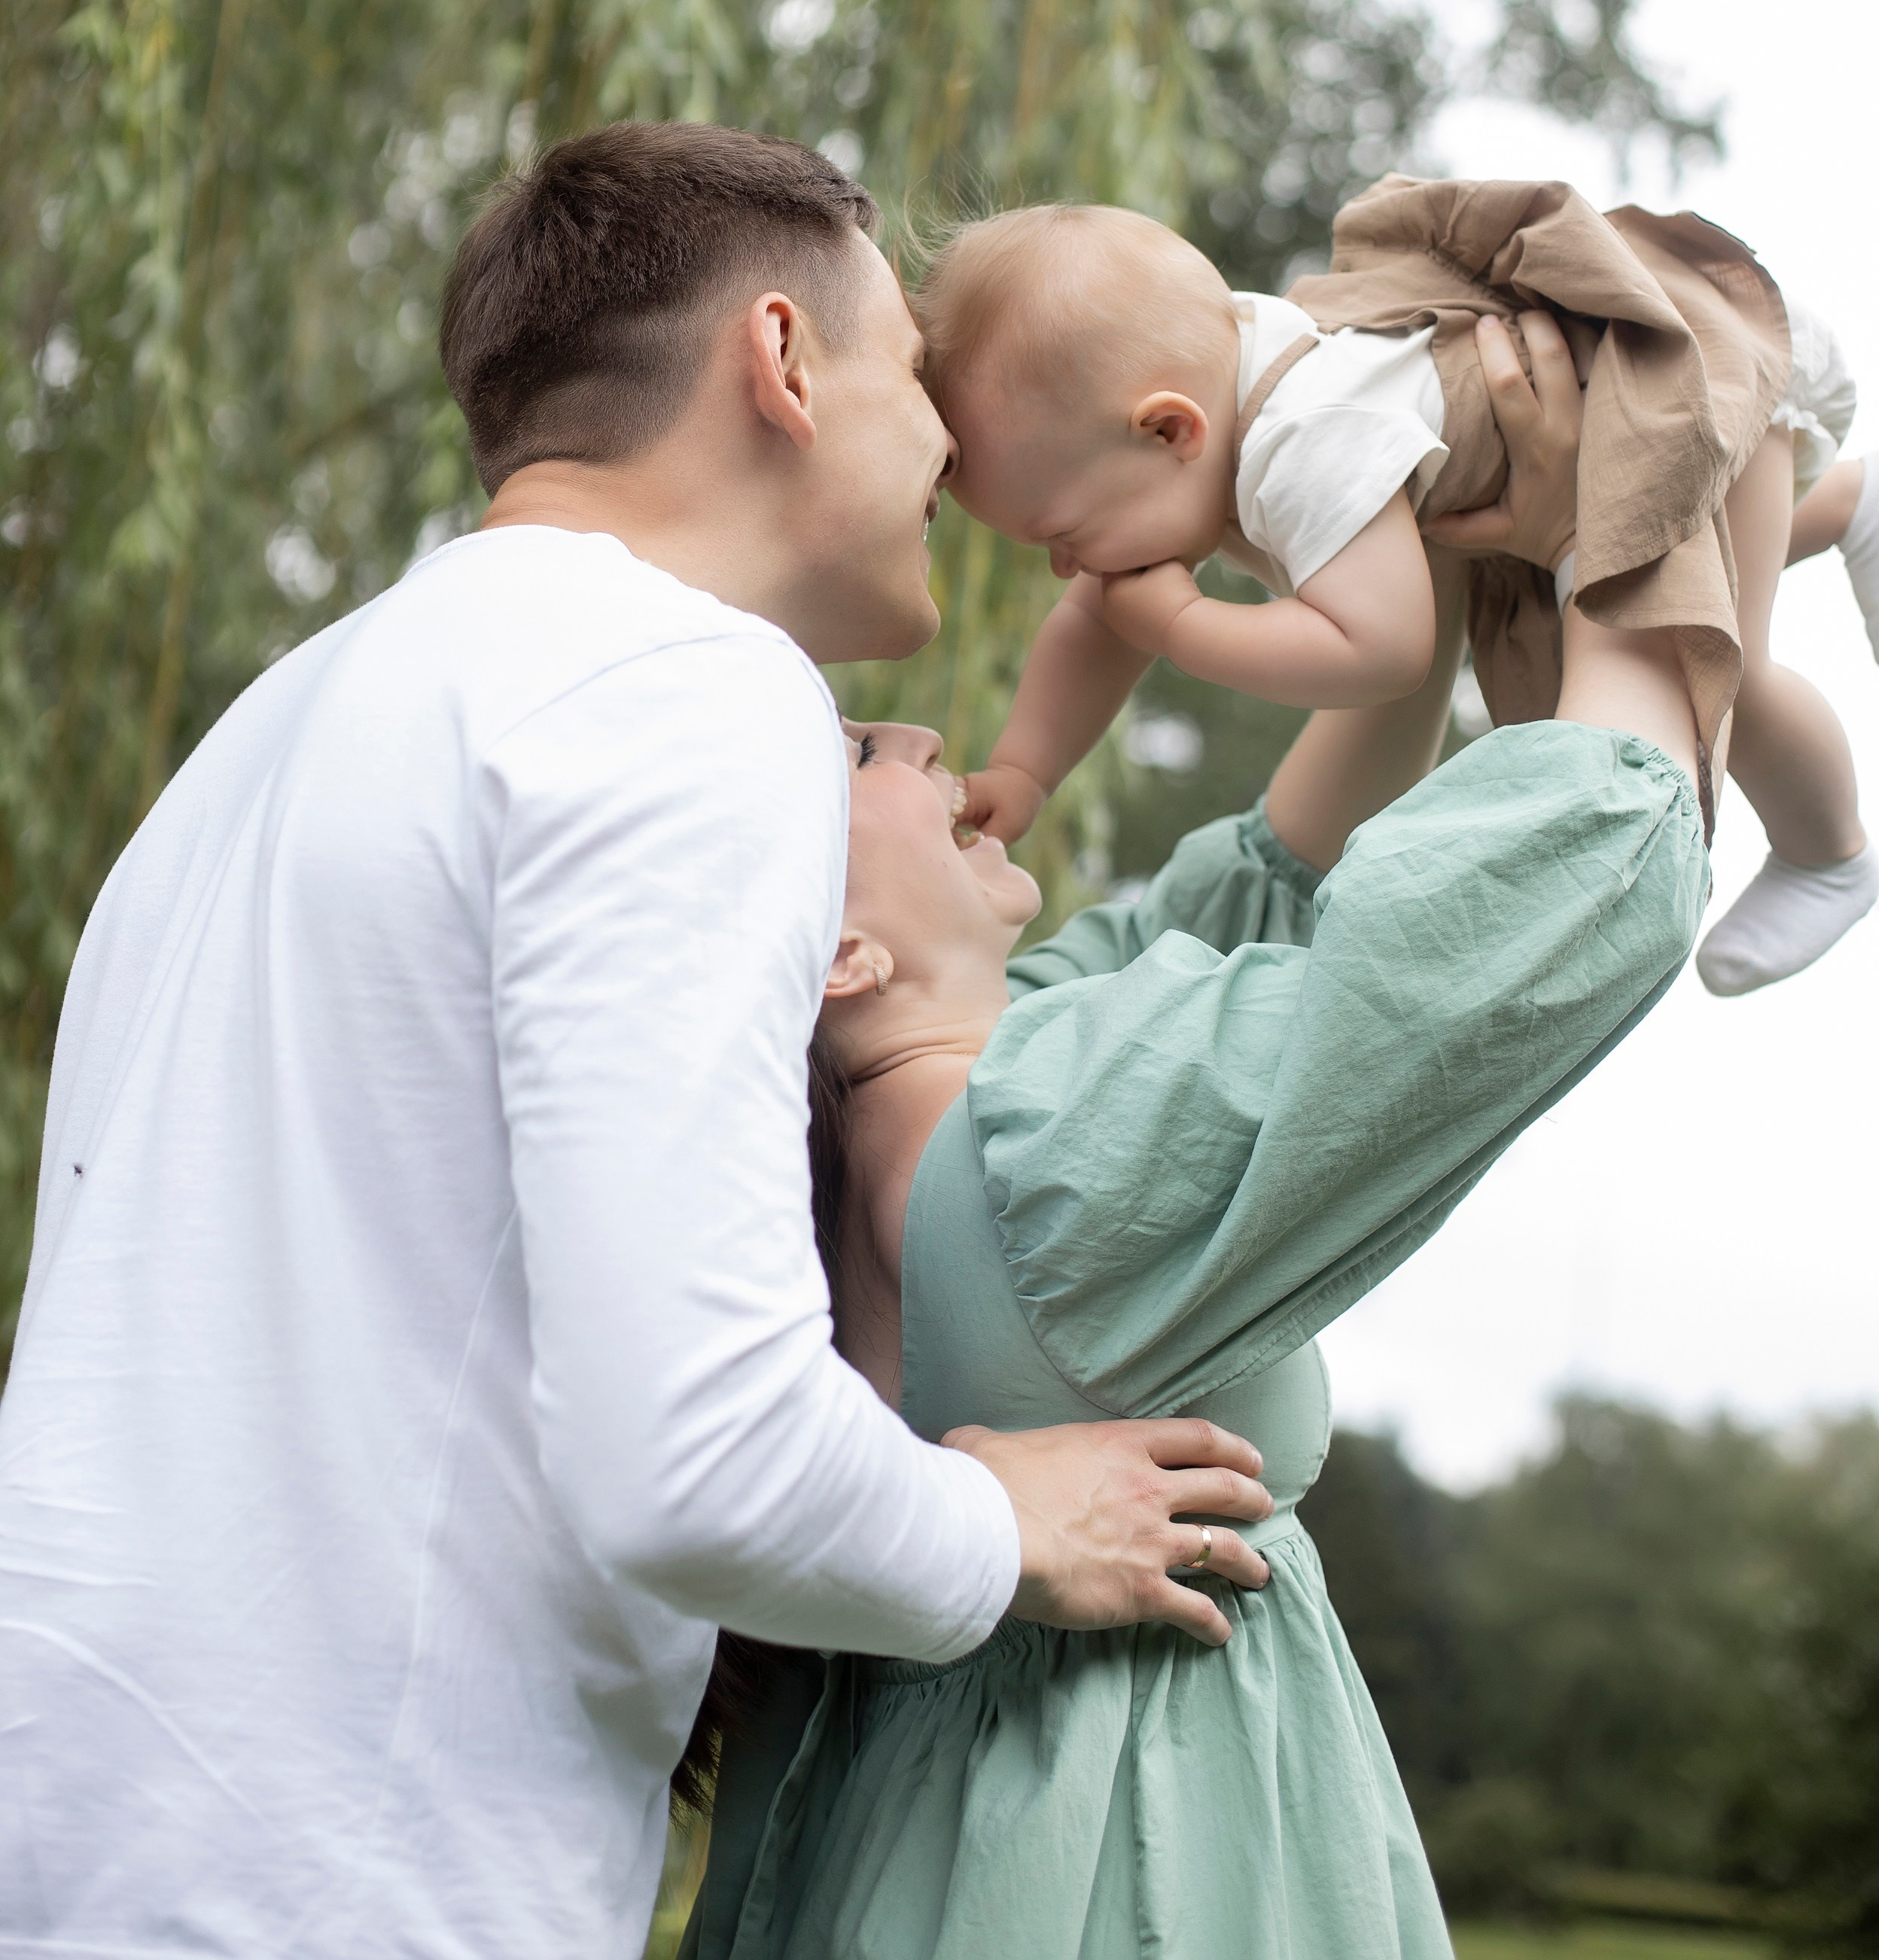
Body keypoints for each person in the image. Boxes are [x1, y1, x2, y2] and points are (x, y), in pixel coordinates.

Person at [0, 125, 1272, 1959]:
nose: (951, 439)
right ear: (783, 358)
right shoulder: (687, 685)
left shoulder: (275, 726)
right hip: (346, 1886)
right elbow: (699, 1453)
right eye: (917, 370)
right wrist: (1005, 1523)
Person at [680, 315, 1710, 1960]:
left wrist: (1358, 502)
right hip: (1128, 1872)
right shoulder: (1040, 1146)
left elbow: (1277, 875)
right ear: (839, 954)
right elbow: (1561, 886)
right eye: (862, 750)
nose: (927, 737)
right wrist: (1633, 509)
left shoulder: (937, 1105)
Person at [915, 181, 1877, 997]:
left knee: (1711, 656)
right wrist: (1026, 771)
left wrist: (1185, 625)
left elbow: (1383, 648)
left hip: (1671, 380)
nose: (1068, 569)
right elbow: (1095, 626)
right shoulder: (1201, 407)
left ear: (1170, 431)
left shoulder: (1303, 442)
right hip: (1591, 429)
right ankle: (1845, 502)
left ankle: (1828, 855)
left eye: (1062, 536)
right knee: (1657, 569)